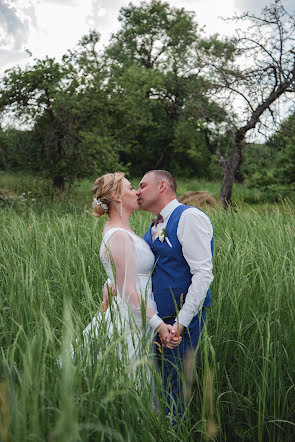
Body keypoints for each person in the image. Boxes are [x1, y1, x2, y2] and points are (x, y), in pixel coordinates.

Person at [79, 172, 181, 369]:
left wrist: (110, 282)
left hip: (140, 313)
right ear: (117, 196)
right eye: (131, 188)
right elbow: (127, 289)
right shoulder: (118, 234)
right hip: (130, 316)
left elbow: (122, 273)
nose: (137, 192)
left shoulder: (122, 230)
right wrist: (159, 325)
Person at [136, 170, 214, 415]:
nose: (137, 192)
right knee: (160, 393)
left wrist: (180, 323)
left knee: (174, 394)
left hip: (182, 324)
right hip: (160, 322)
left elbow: (203, 274)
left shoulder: (189, 217)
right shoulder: (156, 223)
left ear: (162, 186)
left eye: (142, 185)